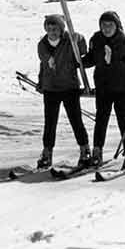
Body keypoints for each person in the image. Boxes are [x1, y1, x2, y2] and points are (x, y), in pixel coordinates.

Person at [87, 10, 125, 170]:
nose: (106, 28)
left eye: (110, 25)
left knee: (123, 120)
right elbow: (92, 58)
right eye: (103, 25)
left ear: (116, 26)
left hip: (121, 88)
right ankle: (97, 153)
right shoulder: (96, 40)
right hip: (103, 87)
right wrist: (80, 62)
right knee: (101, 120)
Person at [35, 14, 92, 171]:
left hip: (69, 87)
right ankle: (47, 153)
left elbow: (82, 51)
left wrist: (79, 38)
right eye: (49, 29)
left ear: (61, 30)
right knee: (50, 123)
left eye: (55, 29)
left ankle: (85, 149)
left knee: (76, 120)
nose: (52, 32)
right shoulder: (42, 45)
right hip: (51, 88)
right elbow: (43, 65)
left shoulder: (69, 41)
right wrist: (41, 82)